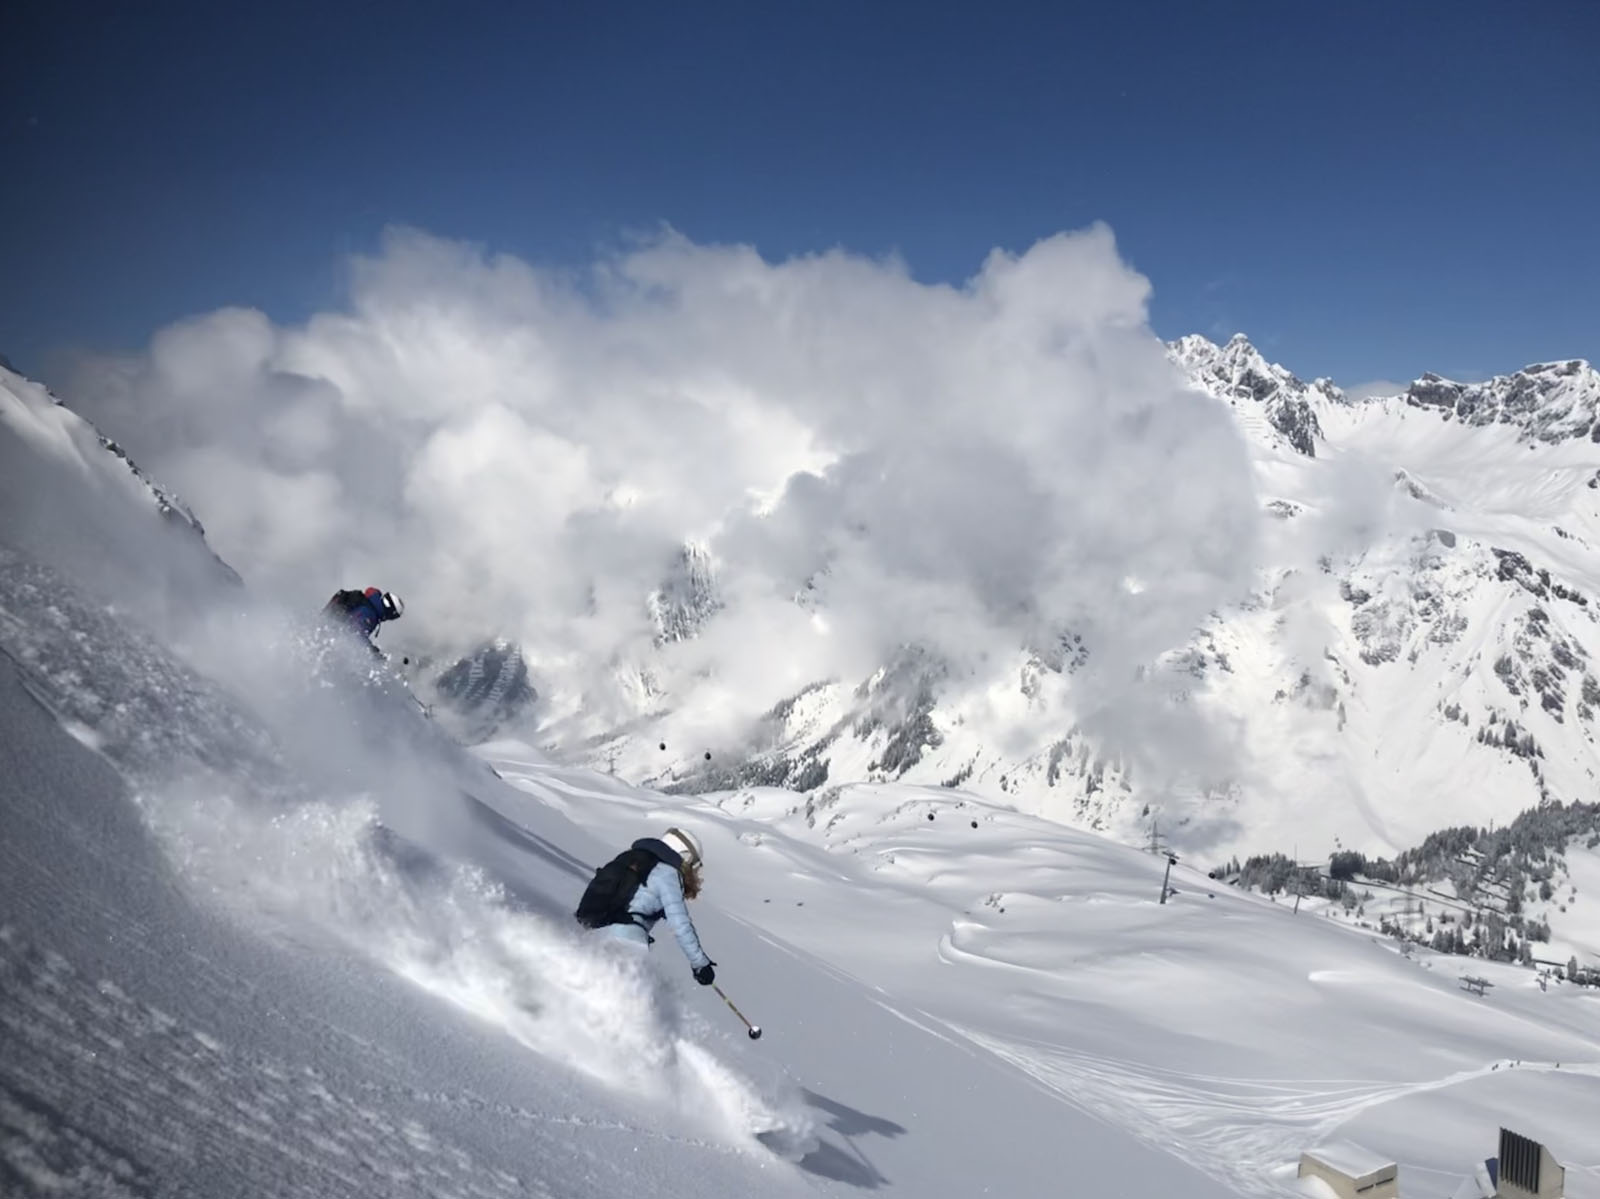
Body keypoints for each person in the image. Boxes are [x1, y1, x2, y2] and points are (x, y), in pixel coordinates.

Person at [580, 827, 715, 985]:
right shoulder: (668, 874)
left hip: (597, 932)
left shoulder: (633, 860)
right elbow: (680, 924)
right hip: (627, 940)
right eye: (693, 864)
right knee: (624, 998)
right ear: (685, 856)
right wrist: (700, 964)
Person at [322, 587, 403, 653]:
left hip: (330, 630)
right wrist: (372, 651)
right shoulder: (369, 614)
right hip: (331, 637)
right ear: (389, 611)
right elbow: (355, 634)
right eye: (393, 616)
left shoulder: (370, 602)